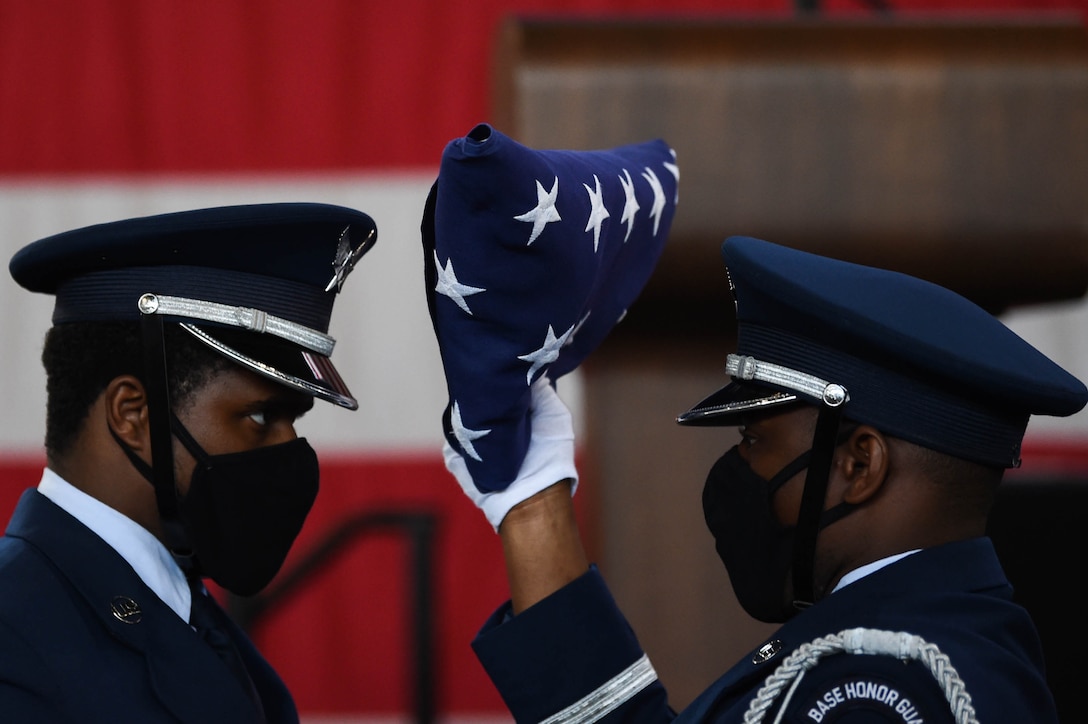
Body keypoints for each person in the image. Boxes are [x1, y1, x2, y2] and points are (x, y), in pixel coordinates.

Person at [425, 132, 1087, 724]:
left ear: (859, 464)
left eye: (754, 440)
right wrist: (534, 509)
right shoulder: (916, 637)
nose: (737, 470)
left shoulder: (882, 688)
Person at [0, 202, 377, 723]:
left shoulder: (185, 610)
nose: (290, 451)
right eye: (261, 416)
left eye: (296, 420)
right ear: (131, 413)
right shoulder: (14, 636)